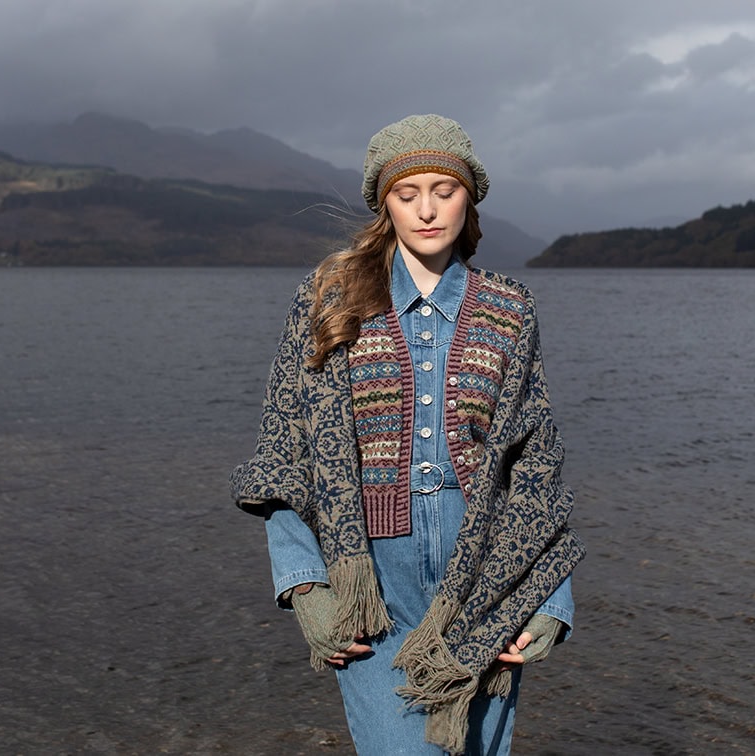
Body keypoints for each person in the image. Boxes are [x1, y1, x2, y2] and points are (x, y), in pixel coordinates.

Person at [230, 114, 584, 755]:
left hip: (486, 573)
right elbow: (284, 451)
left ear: (469, 198)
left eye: (443, 191)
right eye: (407, 193)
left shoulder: (511, 308)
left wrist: (550, 600)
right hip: (370, 581)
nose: (427, 210)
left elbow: (536, 464)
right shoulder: (329, 298)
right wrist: (304, 586)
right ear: (383, 202)